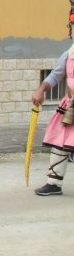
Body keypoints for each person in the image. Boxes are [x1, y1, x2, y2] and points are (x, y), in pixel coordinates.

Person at [33, 47, 74, 196]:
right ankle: (54, 183)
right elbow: (56, 75)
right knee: (59, 143)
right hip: (70, 105)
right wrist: (41, 90)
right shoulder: (69, 54)